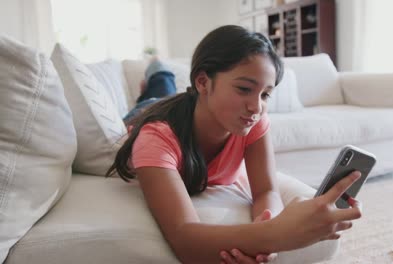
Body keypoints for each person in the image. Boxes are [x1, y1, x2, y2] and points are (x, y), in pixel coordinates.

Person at [107, 25, 362, 264]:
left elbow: (265, 191)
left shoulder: (253, 121)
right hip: (152, 111)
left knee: (167, 89)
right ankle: (155, 68)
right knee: (159, 86)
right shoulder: (156, 138)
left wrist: (265, 230)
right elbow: (184, 240)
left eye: (265, 94)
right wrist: (275, 235)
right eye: (243, 89)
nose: (256, 107)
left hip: (190, 103)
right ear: (203, 81)